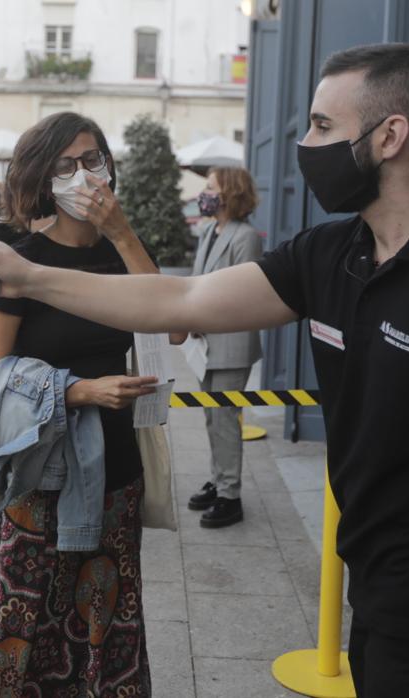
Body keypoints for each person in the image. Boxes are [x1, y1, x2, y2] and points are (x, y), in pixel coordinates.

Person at [0, 44, 409, 698]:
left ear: (389, 135)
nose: (304, 144)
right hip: (374, 585)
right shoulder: (332, 254)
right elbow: (183, 301)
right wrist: (27, 277)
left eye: (321, 126)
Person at [0, 112, 187, 696]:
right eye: (64, 166)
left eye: (93, 160)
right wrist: (76, 391)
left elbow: (175, 328)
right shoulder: (19, 262)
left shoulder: (122, 253)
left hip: (116, 469)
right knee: (30, 624)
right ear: (43, 178)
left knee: (110, 620)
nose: (82, 176)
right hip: (38, 476)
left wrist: (122, 232)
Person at [183, 166, 264, 528]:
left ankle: (231, 495)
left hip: (231, 343)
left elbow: (245, 295)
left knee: (226, 420)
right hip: (205, 342)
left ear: (229, 193)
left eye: (211, 187)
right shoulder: (208, 231)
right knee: (212, 416)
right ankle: (219, 480)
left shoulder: (246, 237)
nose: (205, 193)